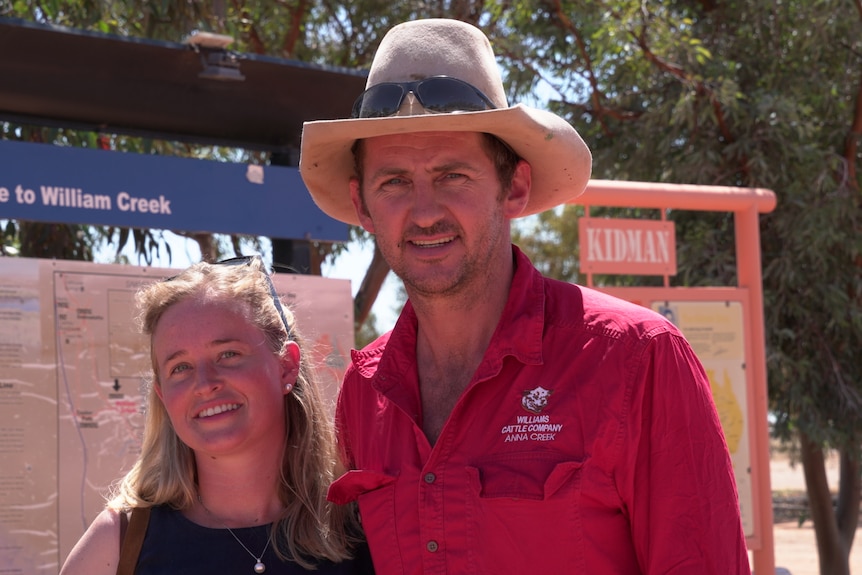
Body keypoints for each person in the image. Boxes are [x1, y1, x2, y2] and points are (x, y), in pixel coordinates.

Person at [299, 18, 750, 575]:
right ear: (363, 204)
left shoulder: (638, 359)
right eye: (393, 182)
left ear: (513, 187)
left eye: (453, 175)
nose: (424, 211)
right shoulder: (364, 392)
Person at [60, 255, 373, 575]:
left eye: (228, 354)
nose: (205, 383)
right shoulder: (117, 544)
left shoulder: (367, 530)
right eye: (180, 367)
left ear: (286, 366)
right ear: (162, 395)